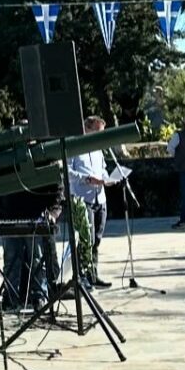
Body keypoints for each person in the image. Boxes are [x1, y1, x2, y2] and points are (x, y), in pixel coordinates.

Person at [0, 179, 64, 309]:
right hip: (9, 214)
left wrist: (53, 211)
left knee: (37, 260)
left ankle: (39, 297)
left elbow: (56, 184)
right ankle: (10, 298)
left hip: (35, 214)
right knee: (11, 261)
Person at [67, 116, 112, 287]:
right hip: (83, 198)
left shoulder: (98, 149)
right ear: (87, 128)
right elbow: (67, 171)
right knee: (87, 239)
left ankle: (93, 274)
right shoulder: (74, 146)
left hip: (100, 198)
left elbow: (103, 169)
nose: (101, 136)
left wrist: (108, 178)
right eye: (98, 132)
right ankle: (81, 276)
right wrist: (86, 179)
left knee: (97, 239)